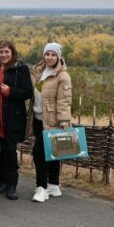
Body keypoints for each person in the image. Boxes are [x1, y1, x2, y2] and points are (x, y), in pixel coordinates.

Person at [0, 40, 33, 200]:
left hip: (12, 117)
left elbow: (28, 92)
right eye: (1, 52)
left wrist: (10, 91)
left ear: (12, 53)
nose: (4, 55)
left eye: (7, 52)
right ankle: (2, 182)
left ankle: (12, 185)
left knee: (10, 152)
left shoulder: (20, 69)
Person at [28, 42, 72, 203]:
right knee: (53, 152)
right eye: (47, 54)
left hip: (53, 120)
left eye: (53, 54)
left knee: (40, 154)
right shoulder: (40, 71)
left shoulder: (62, 76)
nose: (50, 57)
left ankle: (41, 188)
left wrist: (64, 120)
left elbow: (64, 100)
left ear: (58, 56)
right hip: (39, 118)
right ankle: (54, 185)